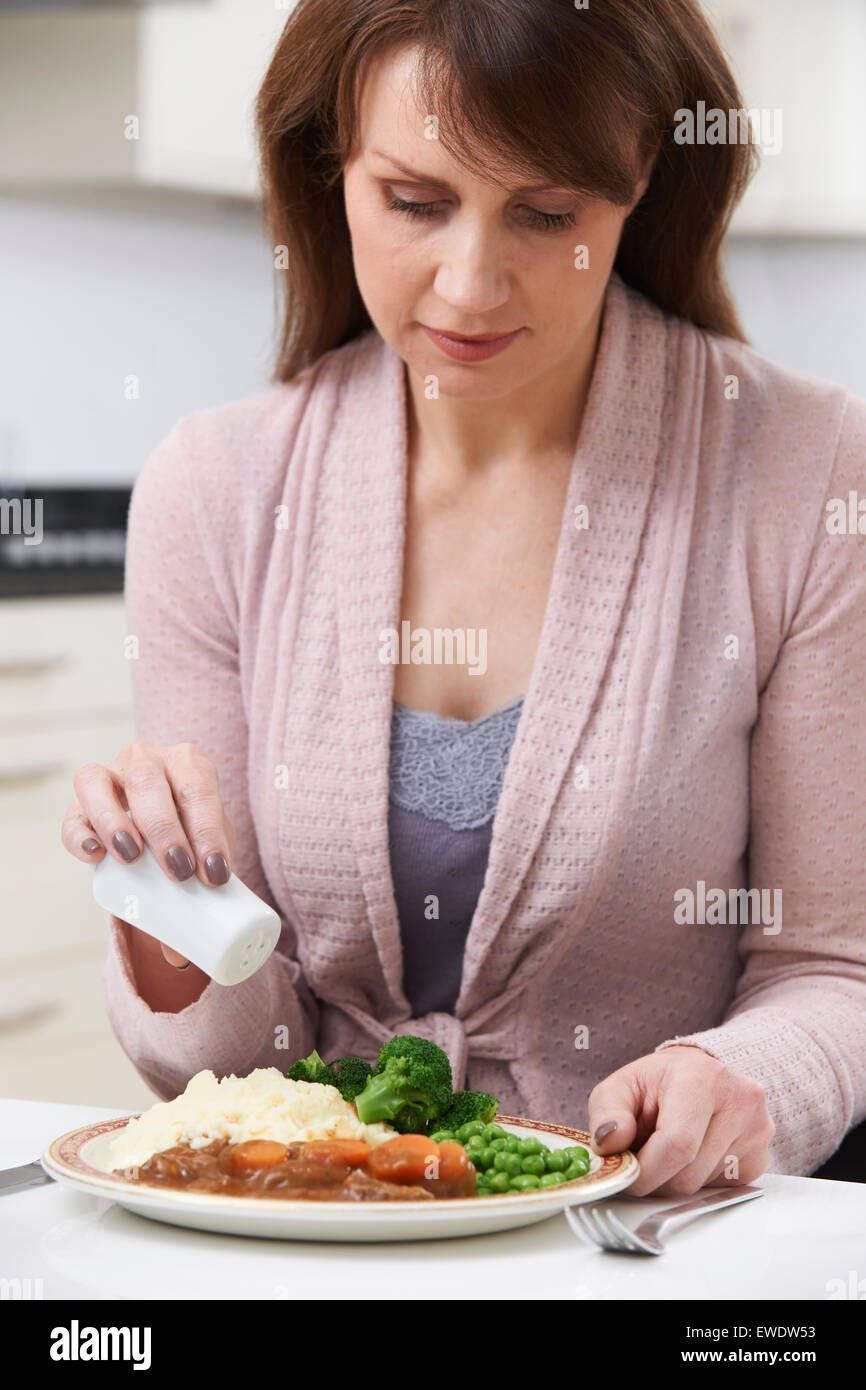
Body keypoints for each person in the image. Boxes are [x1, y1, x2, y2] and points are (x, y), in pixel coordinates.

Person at [61, 0, 866, 1197]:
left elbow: (832, 967)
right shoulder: (214, 490)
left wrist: (732, 1077)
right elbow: (233, 1070)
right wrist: (170, 925)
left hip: (643, 1240)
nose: (470, 282)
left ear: (642, 174)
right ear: (328, 162)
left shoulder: (807, 471)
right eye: (412, 201)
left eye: (546, 214)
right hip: (312, 1233)